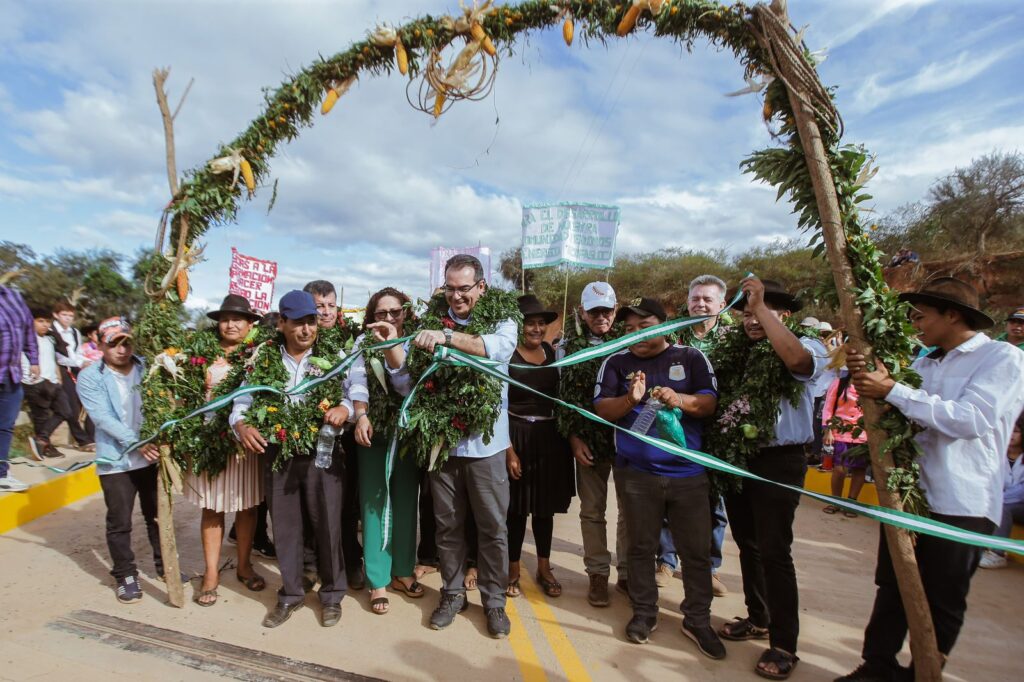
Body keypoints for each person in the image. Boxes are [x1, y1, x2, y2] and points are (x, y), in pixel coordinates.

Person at [837, 277, 1024, 682]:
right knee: (893, 588)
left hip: (962, 501)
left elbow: (972, 420)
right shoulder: (923, 363)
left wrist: (894, 390)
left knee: (943, 598)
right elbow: (900, 413)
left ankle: (923, 671)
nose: (914, 325)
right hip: (909, 497)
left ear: (952, 314)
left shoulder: (1002, 358)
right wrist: (875, 387)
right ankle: (876, 666)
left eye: (921, 316)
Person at [386, 254, 519, 638]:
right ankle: (452, 593)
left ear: (482, 287)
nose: (457, 297)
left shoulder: (501, 319)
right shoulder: (428, 324)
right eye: (450, 289)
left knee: (493, 528)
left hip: (487, 447)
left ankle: (494, 602)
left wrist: (446, 338)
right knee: (447, 526)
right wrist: (396, 348)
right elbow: (407, 383)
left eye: (464, 288)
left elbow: (496, 349)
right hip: (443, 447)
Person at [594, 296, 725, 659]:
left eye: (644, 326)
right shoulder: (616, 362)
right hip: (636, 474)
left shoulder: (691, 358)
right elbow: (603, 409)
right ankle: (644, 612)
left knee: (695, 552)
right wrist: (630, 400)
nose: (634, 334)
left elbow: (709, 403)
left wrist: (677, 399)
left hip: (688, 474)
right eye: (629, 328)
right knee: (640, 547)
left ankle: (697, 619)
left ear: (665, 325)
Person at [715, 277, 827, 680]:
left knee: (775, 549)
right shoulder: (737, 352)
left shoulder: (809, 345)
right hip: (741, 457)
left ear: (787, 316)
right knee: (748, 543)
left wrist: (761, 307)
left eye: (762, 311)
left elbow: (798, 363)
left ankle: (784, 643)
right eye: (746, 312)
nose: (751, 320)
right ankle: (758, 617)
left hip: (780, 459)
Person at [232, 290, 354, 628]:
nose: (306, 330)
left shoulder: (335, 355)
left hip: (323, 453)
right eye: (298, 323)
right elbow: (240, 403)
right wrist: (241, 425)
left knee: (328, 525)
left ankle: (331, 595)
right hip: (278, 455)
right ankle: (292, 593)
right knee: (286, 528)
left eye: (311, 322)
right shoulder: (262, 359)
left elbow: (355, 391)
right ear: (281, 323)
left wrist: (345, 408)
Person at [184, 295, 266, 607]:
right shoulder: (199, 354)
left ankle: (244, 565)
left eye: (238, 319)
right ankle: (210, 575)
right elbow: (186, 395)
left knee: (246, 507)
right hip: (209, 442)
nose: (231, 324)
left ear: (249, 324)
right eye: (225, 318)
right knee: (212, 507)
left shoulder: (260, 355)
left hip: (245, 444)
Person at [76, 317, 164, 602]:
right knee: (119, 521)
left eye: (126, 342)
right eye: (114, 343)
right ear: (101, 344)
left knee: (158, 516)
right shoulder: (91, 377)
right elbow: (102, 418)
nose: (122, 349)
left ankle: (166, 567)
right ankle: (125, 574)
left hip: (149, 458)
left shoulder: (148, 368)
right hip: (116, 461)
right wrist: (137, 444)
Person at [348, 287, 423, 614]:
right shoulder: (362, 344)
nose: (389, 318)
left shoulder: (418, 342)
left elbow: (408, 386)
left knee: (407, 501)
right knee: (374, 501)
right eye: (382, 314)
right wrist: (362, 415)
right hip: (373, 433)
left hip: (407, 434)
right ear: (371, 316)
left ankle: (403, 571)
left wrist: (392, 344)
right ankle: (377, 579)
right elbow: (357, 381)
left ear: (406, 313)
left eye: (395, 312)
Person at [556, 281, 628, 607]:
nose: (602, 317)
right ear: (582, 312)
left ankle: (627, 572)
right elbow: (562, 399)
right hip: (588, 441)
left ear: (616, 311)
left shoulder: (631, 343)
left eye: (607, 310)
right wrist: (574, 437)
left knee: (631, 510)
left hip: (628, 440)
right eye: (595, 311)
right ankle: (598, 573)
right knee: (593, 510)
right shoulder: (566, 349)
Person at [662, 274, 732, 598]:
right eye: (696, 298)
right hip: (675, 427)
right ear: (687, 302)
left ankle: (709, 567)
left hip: (719, 429)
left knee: (715, 504)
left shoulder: (733, 339)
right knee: (669, 494)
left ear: (722, 303)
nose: (701, 304)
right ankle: (665, 561)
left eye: (707, 299)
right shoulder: (670, 335)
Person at [505, 295, 575, 599]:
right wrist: (508, 449)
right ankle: (513, 569)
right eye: (529, 323)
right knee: (516, 510)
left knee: (544, 510)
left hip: (549, 439)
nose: (536, 328)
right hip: (516, 435)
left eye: (540, 323)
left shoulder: (552, 352)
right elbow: (498, 405)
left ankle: (545, 568)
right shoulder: (506, 355)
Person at [304, 279, 364, 591]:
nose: (326, 313)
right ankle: (310, 564)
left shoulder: (352, 340)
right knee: (309, 504)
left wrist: (348, 412)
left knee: (346, 506)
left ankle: (351, 560)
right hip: (307, 434)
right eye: (319, 307)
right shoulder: (300, 340)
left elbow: (357, 385)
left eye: (331, 305)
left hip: (345, 435)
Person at [21, 307, 74, 460]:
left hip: (52, 382)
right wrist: (30, 380)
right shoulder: (25, 340)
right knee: (41, 417)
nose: (44, 325)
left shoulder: (51, 338)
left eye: (47, 322)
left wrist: (59, 377)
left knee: (66, 411)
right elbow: (22, 362)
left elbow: (58, 358)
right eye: (40, 321)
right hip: (34, 382)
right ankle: (46, 447)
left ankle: (42, 439)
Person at [0, 285, 38, 493]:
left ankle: (1, 475)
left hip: (10, 373)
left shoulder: (12, 296)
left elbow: (28, 330)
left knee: (5, 426)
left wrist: (33, 359)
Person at [820, 371, 868, 517]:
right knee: (839, 469)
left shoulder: (870, 386)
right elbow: (828, 408)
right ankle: (836, 501)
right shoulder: (839, 383)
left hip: (863, 434)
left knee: (859, 469)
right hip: (840, 431)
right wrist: (828, 430)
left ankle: (852, 503)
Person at [979, 410, 1024, 569]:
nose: (1011, 434)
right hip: (1001, 501)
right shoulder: (997, 454)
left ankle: (997, 554)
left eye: (1017, 431)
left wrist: (996, 498)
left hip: (1017, 505)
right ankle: (980, 547)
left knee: (1003, 508)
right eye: (1010, 429)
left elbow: (1021, 491)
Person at [50, 300, 95, 451]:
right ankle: (82, 440)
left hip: (75, 370)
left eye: (70, 315)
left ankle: (83, 439)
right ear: (56, 315)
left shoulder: (74, 332)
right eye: (64, 315)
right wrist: (78, 362)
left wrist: (86, 362)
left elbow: (78, 353)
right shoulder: (51, 331)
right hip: (60, 371)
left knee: (78, 406)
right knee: (69, 408)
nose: (68, 318)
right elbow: (58, 356)